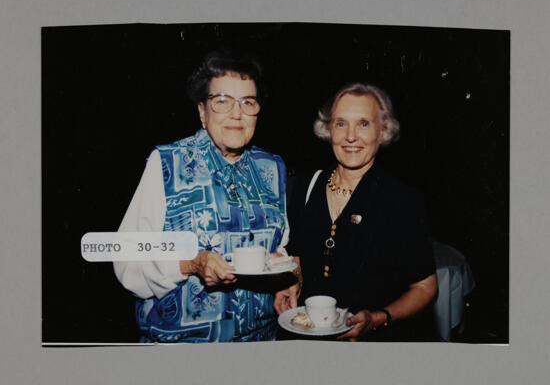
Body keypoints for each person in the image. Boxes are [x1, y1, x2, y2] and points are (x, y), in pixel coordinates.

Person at [114, 49, 288, 342]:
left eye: (248, 102)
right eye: (222, 101)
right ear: (202, 112)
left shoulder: (272, 167)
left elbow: (279, 246)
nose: (236, 113)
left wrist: (286, 276)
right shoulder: (167, 163)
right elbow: (127, 260)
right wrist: (192, 263)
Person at [274, 82, 438, 341]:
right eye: (340, 123)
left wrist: (378, 318)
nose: (351, 136)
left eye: (363, 123)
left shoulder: (402, 200)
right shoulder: (305, 187)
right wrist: (291, 282)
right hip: (308, 340)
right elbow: (297, 255)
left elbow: (426, 287)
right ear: (328, 129)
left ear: (382, 131)